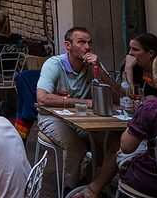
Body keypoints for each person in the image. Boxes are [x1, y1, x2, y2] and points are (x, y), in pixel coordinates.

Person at [71, 53, 157, 198]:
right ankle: (94, 189)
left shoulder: (153, 107)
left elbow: (126, 147)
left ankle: (94, 189)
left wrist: (136, 121)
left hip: (147, 181)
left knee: (116, 146)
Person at [36, 26, 121, 191]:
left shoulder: (92, 65)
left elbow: (117, 96)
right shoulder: (55, 64)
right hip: (52, 117)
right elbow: (42, 97)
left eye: (89, 43)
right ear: (68, 45)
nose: (87, 47)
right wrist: (86, 103)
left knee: (112, 143)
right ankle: (70, 188)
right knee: (76, 146)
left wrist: (99, 71)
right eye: (81, 42)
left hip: (82, 119)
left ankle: (91, 183)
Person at [123, 32, 157, 99]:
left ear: (150, 53)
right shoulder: (132, 67)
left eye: (135, 49)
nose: (130, 53)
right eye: (130, 48)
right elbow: (128, 99)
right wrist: (128, 68)